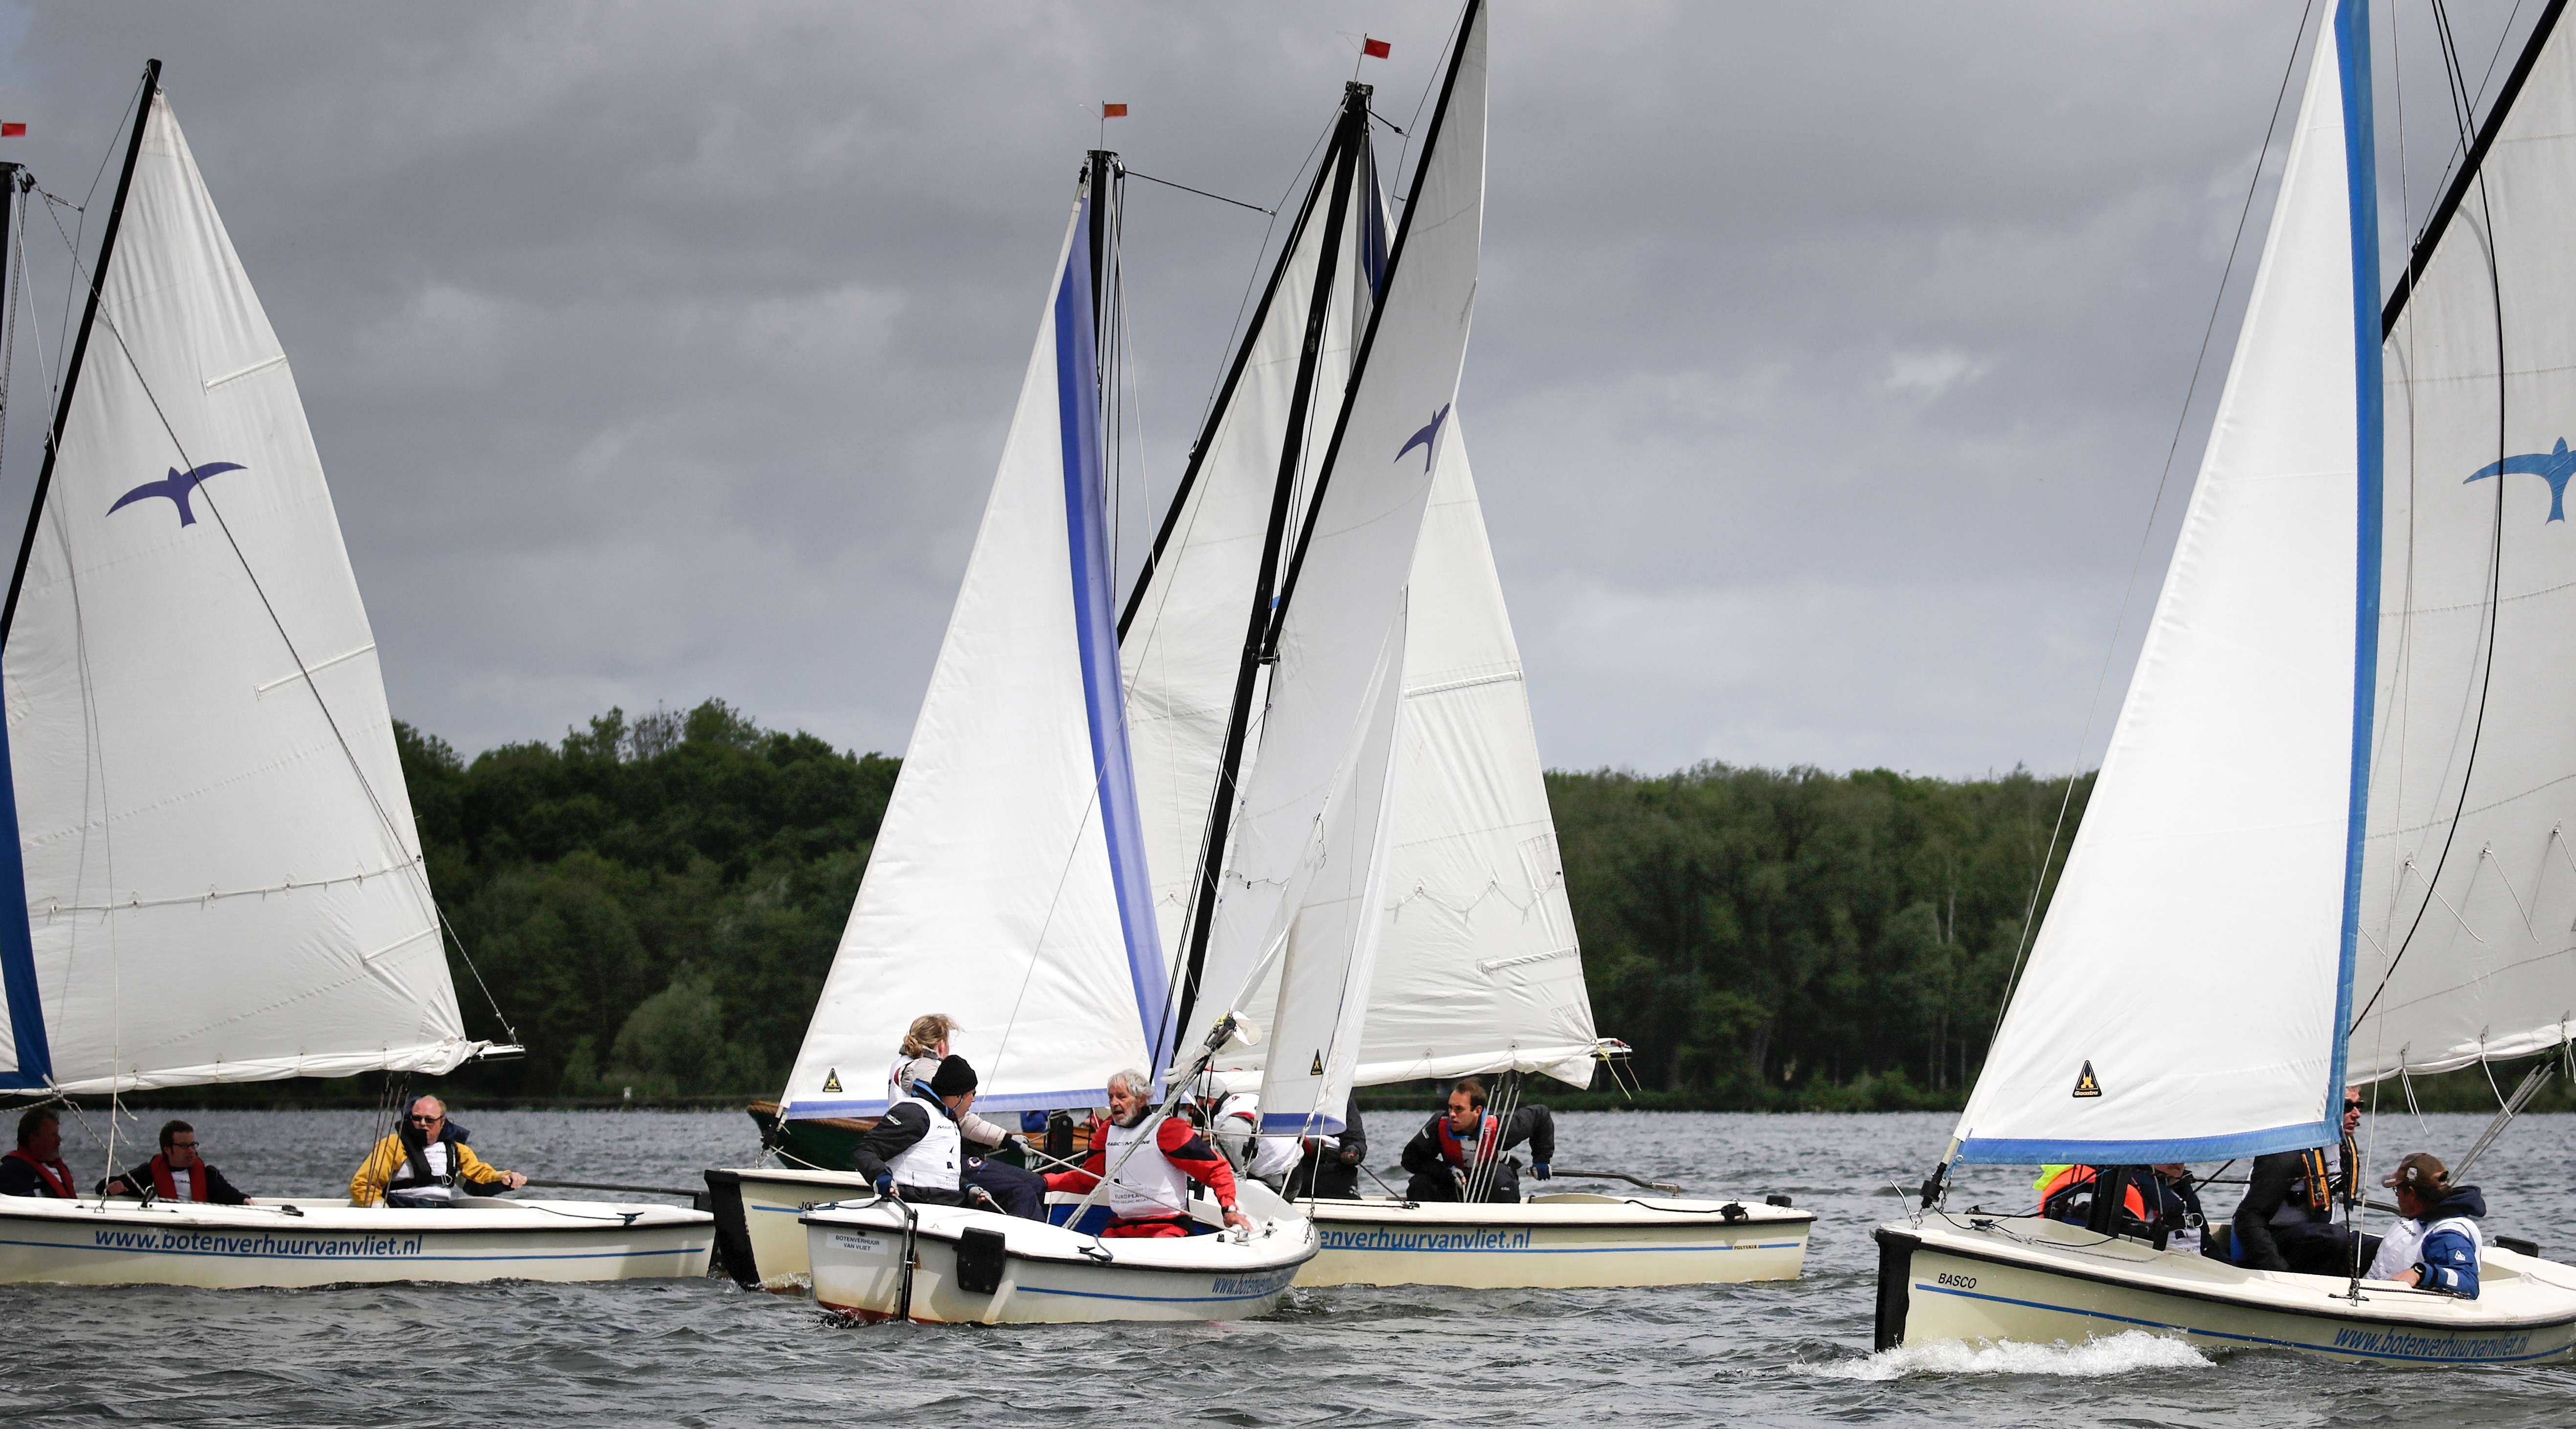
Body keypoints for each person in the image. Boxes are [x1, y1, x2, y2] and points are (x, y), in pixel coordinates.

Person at [1044, 1068, 1250, 1237]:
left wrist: (1229, 1209)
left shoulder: (1168, 1130)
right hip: (1121, 1228)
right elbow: (1088, 1180)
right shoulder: (1107, 1131)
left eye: (1122, 1097)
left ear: (1141, 1100)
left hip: (1167, 1227)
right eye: (1111, 1097)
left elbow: (1216, 1169)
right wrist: (1044, 1182)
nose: (1114, 1103)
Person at [851, 1055, 1038, 1218]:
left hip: (946, 1206)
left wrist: (967, 1188)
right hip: (916, 1206)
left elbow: (941, 1173)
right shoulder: (915, 1113)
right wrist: (881, 1176)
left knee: (1020, 1197)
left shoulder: (949, 1120)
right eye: (972, 1094)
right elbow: (864, 1150)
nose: (974, 1100)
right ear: (958, 1097)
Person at [2233, 1086, 2365, 1275]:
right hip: (2269, 1242)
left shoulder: (2344, 1146)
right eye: (2347, 1106)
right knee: (2337, 1238)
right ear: (2322, 1108)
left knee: (2370, 1247)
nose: (2357, 1114)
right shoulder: (2287, 1153)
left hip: (2313, 1239)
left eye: (2359, 1105)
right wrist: (2279, 1274)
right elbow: (2248, 1221)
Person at [349, 1097, 528, 1207]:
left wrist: (505, 1178)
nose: (423, 1124)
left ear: (442, 1123)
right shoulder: (393, 1146)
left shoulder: (456, 1150)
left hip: (441, 1210)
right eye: (417, 1119)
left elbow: (479, 1176)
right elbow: (363, 1185)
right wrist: (381, 1214)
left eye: (430, 1120)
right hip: (403, 1209)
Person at [1400, 1078, 1554, 1204]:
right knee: (1420, 1183)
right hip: (1454, 1184)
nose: (1452, 1114)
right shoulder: (1439, 1125)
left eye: (1459, 1109)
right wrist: (1446, 1170)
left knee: (1500, 1177)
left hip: (1490, 1186)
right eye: (1450, 1107)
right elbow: (1410, 1159)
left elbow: (1541, 1115)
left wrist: (1542, 1159)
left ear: (1477, 1111)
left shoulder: (1502, 1129)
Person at [2366, 1151, 2487, 1297]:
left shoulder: (2449, 1234)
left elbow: (2468, 1283)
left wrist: (2420, 1273)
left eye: (2397, 1189)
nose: (2397, 1195)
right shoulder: (2422, 1219)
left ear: (2411, 1193)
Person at [103, 1120, 250, 1205]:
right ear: (168, 1150)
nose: (192, 1151)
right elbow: (106, 1184)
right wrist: (111, 1186)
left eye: (193, 1145)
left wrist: (244, 1200)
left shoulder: (208, 1175)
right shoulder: (149, 1173)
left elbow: (228, 1193)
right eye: (185, 1146)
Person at [1284, 1088, 1369, 1201]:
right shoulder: (1285, 1098)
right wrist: (1303, 1145)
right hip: (1295, 1182)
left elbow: (1355, 1137)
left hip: (1336, 1179)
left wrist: (1355, 1150)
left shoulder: (1341, 1099)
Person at [0, 1107, 75, 1198]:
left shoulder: (56, 1167)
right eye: (53, 1135)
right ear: (33, 1139)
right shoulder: (14, 1170)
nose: (59, 1140)